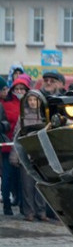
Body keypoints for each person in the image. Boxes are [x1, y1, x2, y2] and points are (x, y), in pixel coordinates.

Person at [13, 89, 48, 221]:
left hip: (41, 156)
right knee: (27, 187)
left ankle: (41, 211)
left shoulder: (45, 117)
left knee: (41, 186)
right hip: (26, 155)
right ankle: (29, 212)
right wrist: (15, 156)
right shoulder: (22, 117)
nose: (33, 102)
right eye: (30, 100)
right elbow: (16, 137)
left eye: (35, 100)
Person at [1, 77, 29, 216]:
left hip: (23, 147)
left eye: (22, 89)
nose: (19, 91)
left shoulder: (29, 103)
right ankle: (7, 205)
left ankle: (23, 205)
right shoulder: (5, 103)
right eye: (16, 89)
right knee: (7, 177)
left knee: (22, 179)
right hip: (8, 145)